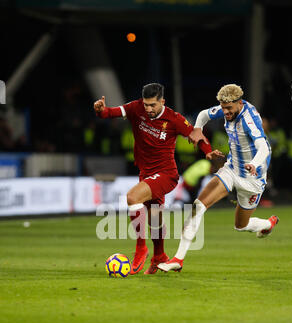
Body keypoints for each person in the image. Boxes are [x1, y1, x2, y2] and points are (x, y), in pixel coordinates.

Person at [94, 83, 215, 275]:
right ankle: (159, 256)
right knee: (154, 218)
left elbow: (194, 134)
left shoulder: (174, 119)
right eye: (146, 105)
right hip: (146, 172)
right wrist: (101, 111)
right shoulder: (136, 108)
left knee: (132, 198)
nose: (148, 109)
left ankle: (140, 249)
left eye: (153, 105)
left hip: (166, 174)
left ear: (162, 102)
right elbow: (111, 113)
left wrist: (208, 151)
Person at [158, 84, 279, 273]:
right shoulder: (225, 108)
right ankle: (178, 259)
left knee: (241, 225)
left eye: (229, 108)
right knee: (198, 205)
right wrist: (197, 129)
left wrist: (254, 163)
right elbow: (204, 114)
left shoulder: (249, 120)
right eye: (223, 108)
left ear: (239, 103)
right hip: (231, 169)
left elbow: (263, 147)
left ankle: (266, 224)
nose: (225, 112)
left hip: (253, 178)